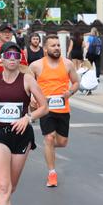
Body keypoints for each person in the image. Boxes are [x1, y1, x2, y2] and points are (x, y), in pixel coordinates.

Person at [0, 42, 48, 205]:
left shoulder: (28, 80)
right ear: (1, 59)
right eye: (8, 55)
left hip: (21, 136)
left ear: (20, 59)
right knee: (2, 187)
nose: (12, 59)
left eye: (16, 55)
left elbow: (44, 107)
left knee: (11, 187)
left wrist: (28, 117)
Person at [29, 34, 79, 187]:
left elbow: (76, 82)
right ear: (45, 49)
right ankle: (52, 173)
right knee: (49, 137)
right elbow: (29, 85)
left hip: (63, 108)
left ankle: (47, 146)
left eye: (58, 45)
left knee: (62, 142)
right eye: (53, 45)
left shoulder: (68, 64)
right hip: (45, 109)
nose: (57, 48)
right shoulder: (36, 66)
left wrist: (69, 92)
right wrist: (31, 97)